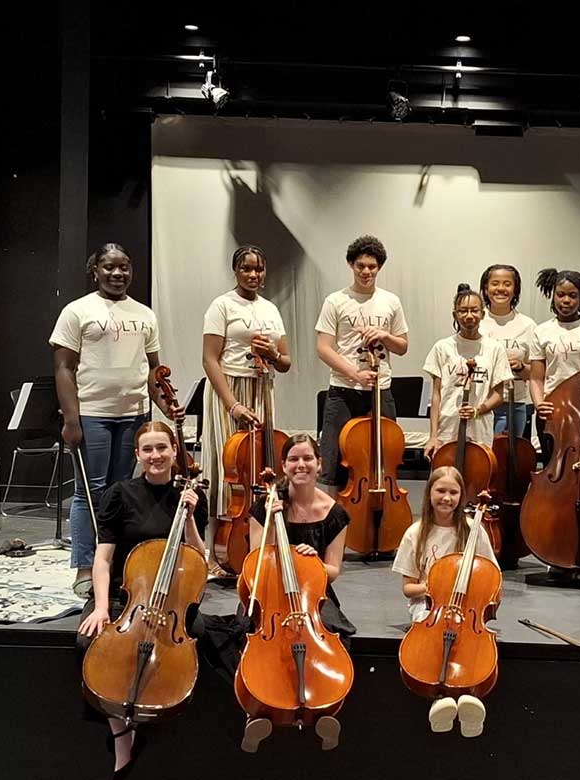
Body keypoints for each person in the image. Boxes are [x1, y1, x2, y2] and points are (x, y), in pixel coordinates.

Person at [51, 243, 183, 597]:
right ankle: (84, 566)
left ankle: (115, 563)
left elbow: (154, 369)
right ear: (95, 269)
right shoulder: (77, 310)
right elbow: (63, 368)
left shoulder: (144, 314)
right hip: (92, 414)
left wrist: (165, 404)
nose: (118, 273)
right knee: (88, 493)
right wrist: (71, 418)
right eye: (109, 267)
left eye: (124, 267)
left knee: (122, 491)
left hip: (133, 414)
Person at [76, 422, 208, 778]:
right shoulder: (120, 494)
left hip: (173, 599)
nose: (156, 456)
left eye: (162, 448)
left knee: (201, 639)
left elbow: (200, 558)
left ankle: (156, 711)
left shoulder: (191, 496)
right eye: (148, 450)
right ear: (137, 455)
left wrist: (191, 517)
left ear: (174, 452)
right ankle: (120, 734)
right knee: (88, 639)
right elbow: (102, 560)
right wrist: (102, 607)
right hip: (127, 593)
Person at [240, 433, 355, 753]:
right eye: (293, 459)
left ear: (319, 465)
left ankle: (323, 709)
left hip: (312, 594)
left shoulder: (335, 513)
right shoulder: (266, 506)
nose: (301, 464)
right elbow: (256, 563)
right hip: (270, 592)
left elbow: (334, 570)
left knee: (336, 635)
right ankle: (258, 709)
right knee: (245, 635)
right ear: (284, 465)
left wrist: (314, 561)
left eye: (307, 458)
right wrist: (275, 527)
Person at [200, 245, 290, 577]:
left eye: (259, 269)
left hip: (262, 388)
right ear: (236, 270)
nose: (253, 275)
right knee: (225, 468)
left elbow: (285, 362)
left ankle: (256, 543)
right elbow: (210, 359)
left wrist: (273, 353)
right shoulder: (222, 305)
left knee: (259, 469)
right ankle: (214, 551)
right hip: (230, 390)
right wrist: (232, 405)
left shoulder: (270, 309)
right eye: (247, 268)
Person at [392, 466, 499, 738]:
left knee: (470, 643)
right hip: (428, 607)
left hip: (468, 609)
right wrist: (435, 587)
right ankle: (441, 698)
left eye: (454, 492)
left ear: (462, 496)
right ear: (429, 493)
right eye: (441, 491)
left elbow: (493, 579)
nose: (447, 498)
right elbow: (408, 588)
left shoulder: (474, 532)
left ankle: (469, 694)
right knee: (434, 639)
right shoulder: (415, 533)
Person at [315, 235, 408, 492]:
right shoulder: (336, 301)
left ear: (379, 267)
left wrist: (385, 335)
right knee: (333, 466)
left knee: (384, 463)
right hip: (343, 392)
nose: (366, 272)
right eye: (360, 266)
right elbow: (323, 348)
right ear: (350, 265)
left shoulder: (391, 301)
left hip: (381, 392)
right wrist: (355, 374)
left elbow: (402, 346)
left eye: (372, 267)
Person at [529, 268, 580, 461]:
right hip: (553, 411)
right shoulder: (542, 331)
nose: (566, 300)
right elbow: (535, 377)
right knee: (554, 466)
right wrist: (539, 404)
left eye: (572, 295)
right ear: (553, 296)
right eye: (560, 295)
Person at [422, 284, 513, 460]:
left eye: (474, 310)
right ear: (455, 314)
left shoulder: (494, 349)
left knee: (478, 481)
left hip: (480, 428)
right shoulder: (442, 347)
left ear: (482, 314)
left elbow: (498, 394)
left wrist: (477, 410)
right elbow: (436, 395)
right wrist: (433, 435)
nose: (469, 316)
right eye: (463, 311)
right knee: (445, 480)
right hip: (447, 426)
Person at [478, 264, 537, 439]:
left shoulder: (528, 325)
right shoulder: (476, 321)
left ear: (515, 290)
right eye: (495, 283)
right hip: (480, 403)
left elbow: (537, 376)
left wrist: (520, 367)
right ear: (485, 289)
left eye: (507, 284)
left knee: (506, 460)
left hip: (513, 404)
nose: (501, 289)